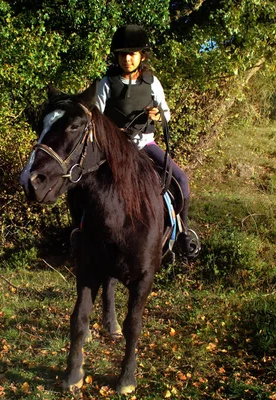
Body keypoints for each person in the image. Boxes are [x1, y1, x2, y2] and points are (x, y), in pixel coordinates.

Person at [95, 24, 197, 259]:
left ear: (142, 56)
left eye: (132, 54)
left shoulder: (152, 82)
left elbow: (166, 113)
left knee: (181, 179)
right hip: (115, 150)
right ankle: (79, 232)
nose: (127, 59)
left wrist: (157, 114)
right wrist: (114, 132)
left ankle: (184, 231)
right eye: (122, 54)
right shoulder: (107, 82)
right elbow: (97, 117)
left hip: (146, 146)